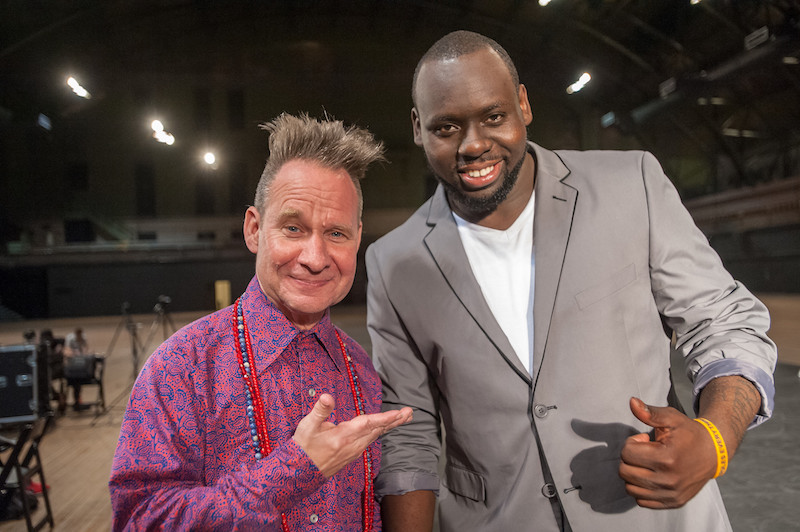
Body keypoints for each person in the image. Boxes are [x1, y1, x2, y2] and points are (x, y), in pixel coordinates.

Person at [366, 31, 777, 532]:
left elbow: (726, 322)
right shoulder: (394, 263)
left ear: (523, 104)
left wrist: (715, 439)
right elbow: (408, 436)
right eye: (447, 126)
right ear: (417, 127)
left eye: (494, 117)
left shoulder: (631, 185)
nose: (474, 144)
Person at [109, 113, 412, 531]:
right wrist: (291, 471)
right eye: (293, 228)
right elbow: (138, 520)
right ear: (254, 230)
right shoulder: (181, 367)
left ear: (358, 238)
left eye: (337, 234)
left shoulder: (361, 370)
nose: (315, 256)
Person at [63, 327, 91, 411]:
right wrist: (74, 355)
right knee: (75, 382)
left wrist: (84, 355)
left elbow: (85, 348)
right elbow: (67, 351)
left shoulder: (83, 337)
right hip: (72, 366)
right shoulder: (70, 338)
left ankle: (78, 401)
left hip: (81, 366)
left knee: (79, 382)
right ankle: (76, 401)